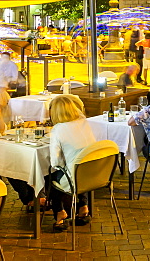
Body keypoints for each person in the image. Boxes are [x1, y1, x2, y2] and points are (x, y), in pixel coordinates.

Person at [48, 94, 97, 231]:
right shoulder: (84, 122)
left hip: (76, 176)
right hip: (94, 173)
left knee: (49, 176)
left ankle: (59, 213)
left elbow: (55, 162)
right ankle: (83, 207)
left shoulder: (59, 129)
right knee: (77, 166)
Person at [0, 51, 19, 121]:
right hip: (1, 89)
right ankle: (4, 123)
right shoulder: (12, 64)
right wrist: (7, 80)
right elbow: (14, 79)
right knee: (5, 107)